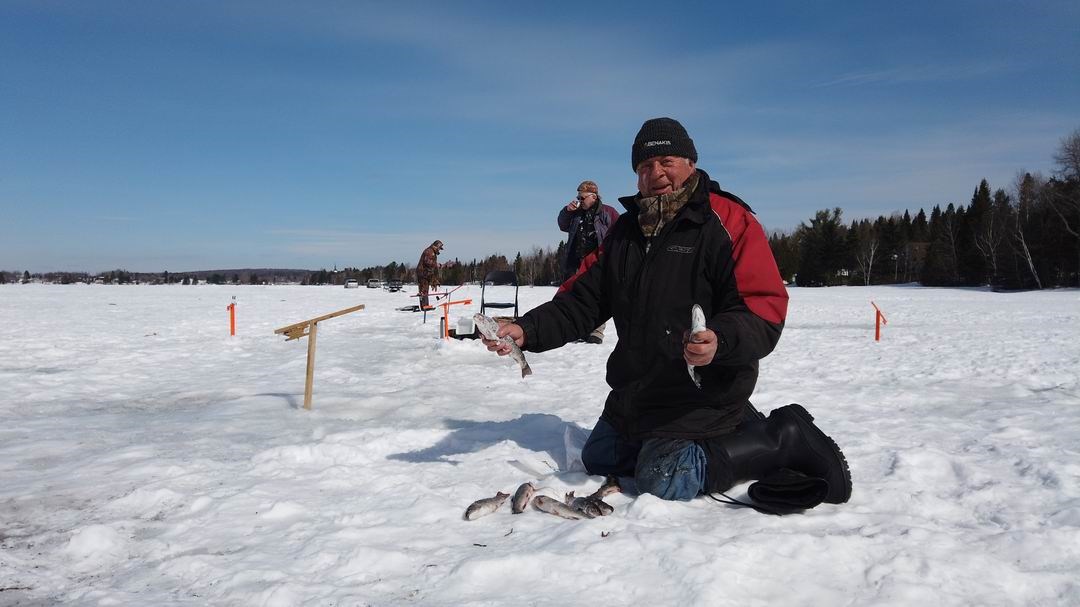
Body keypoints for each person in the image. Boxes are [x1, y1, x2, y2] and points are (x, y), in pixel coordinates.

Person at [483, 118, 851, 508]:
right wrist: (526, 329)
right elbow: (582, 301)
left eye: (666, 161)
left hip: (703, 391)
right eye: (643, 166)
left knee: (663, 475)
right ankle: (743, 425)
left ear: (690, 162)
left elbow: (763, 307)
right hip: (640, 391)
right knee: (600, 458)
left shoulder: (728, 222)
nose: (655, 173)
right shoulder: (625, 232)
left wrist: (720, 341)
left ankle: (782, 438)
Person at [557, 180, 620, 344]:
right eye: (578, 197)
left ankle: (596, 332)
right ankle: (579, 328)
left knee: (598, 294)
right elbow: (562, 225)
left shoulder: (608, 212)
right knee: (577, 294)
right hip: (577, 260)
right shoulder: (576, 214)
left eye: (582, 197)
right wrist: (567, 211)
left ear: (593, 196)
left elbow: (619, 231)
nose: (579, 200)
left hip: (598, 260)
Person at [416, 240, 443, 309]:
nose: (439, 250)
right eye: (439, 248)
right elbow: (427, 261)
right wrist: (436, 264)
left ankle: (425, 306)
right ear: (436, 247)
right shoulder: (429, 251)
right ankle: (424, 307)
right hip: (422, 273)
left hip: (426, 273)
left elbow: (431, 266)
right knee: (423, 289)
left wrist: (434, 278)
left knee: (425, 289)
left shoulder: (432, 252)